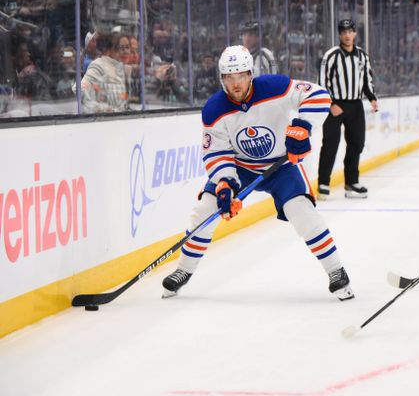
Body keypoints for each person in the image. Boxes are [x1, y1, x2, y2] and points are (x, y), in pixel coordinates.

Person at [161, 45, 354, 301]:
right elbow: (216, 153)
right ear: (222, 79)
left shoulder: (275, 87)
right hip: (242, 169)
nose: (235, 83)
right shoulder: (214, 109)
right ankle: (183, 270)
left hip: (281, 167)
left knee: (302, 212)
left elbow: (319, 96)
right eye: (229, 77)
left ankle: (336, 271)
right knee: (205, 211)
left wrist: (303, 127)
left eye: (240, 75)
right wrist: (225, 184)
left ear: (250, 73)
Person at [316, 19, 378, 199]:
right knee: (330, 144)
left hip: (356, 105)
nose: (347, 35)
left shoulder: (362, 56)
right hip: (335, 105)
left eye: (350, 31)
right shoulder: (331, 55)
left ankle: (351, 183)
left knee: (357, 143)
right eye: (343, 32)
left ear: (355, 33)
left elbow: (367, 79)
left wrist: (372, 98)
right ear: (339, 34)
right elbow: (322, 82)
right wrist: (331, 104)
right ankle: (323, 183)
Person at [80, 33, 130, 113]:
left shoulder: (122, 69)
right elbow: (87, 104)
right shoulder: (96, 68)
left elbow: (124, 100)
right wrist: (104, 109)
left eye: (128, 47)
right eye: (121, 48)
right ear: (108, 50)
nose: (126, 51)